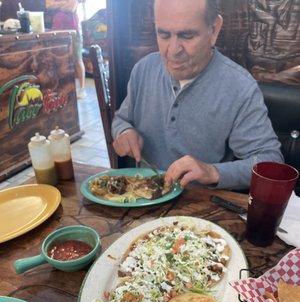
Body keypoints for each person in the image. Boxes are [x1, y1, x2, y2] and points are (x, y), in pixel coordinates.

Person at [111, 0, 283, 191]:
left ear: (214, 30)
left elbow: (271, 162)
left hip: (200, 208)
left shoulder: (239, 87)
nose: (173, 50)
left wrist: (212, 172)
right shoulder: (143, 70)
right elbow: (121, 119)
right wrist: (123, 131)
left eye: (187, 35)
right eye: (164, 34)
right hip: (141, 197)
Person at [51, 0, 86, 99]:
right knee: (60, 59)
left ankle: (82, 89)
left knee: (77, 59)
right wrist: (63, 4)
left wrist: (57, 5)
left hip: (74, 30)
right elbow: (47, 5)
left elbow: (71, 6)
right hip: (57, 30)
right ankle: (64, 88)